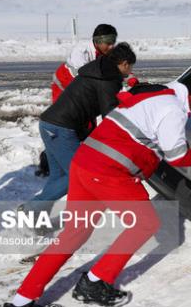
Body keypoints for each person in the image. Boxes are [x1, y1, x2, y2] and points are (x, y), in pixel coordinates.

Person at [2, 68, 191, 307]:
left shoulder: (155, 92)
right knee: (146, 223)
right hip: (108, 172)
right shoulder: (173, 109)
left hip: (85, 162)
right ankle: (95, 282)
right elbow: (177, 156)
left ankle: (20, 304)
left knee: (73, 234)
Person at [22, 43, 137, 217]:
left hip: (49, 123)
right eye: (131, 67)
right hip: (61, 128)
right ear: (124, 64)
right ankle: (31, 208)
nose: (130, 72)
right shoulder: (108, 80)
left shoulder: (97, 69)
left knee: (58, 176)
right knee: (77, 175)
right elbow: (110, 115)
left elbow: (90, 102)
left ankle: (37, 215)